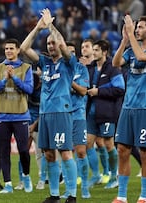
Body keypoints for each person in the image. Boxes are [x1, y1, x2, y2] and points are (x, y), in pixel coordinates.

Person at [20, 8, 77, 203]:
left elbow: (61, 42)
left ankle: (71, 194)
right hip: (45, 114)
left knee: (65, 153)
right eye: (48, 44)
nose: (51, 46)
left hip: (61, 112)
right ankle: (54, 194)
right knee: (49, 154)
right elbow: (24, 49)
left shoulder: (70, 63)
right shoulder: (45, 63)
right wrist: (38, 28)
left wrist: (51, 25)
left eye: (53, 43)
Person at [112, 15, 146, 203]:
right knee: (122, 151)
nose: (136, 30)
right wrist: (124, 40)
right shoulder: (131, 49)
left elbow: (143, 56)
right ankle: (122, 197)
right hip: (128, 107)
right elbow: (116, 63)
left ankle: (143, 197)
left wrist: (131, 38)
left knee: (144, 152)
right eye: (136, 27)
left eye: (140, 27)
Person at [0, 38, 34, 194]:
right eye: (6, 48)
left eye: (11, 48)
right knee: (3, 151)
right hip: (2, 116)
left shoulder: (26, 68)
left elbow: (29, 89)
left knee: (23, 150)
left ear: (18, 50)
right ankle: (8, 183)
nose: (8, 51)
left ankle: (26, 176)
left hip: (21, 116)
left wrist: (14, 77)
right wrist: (4, 80)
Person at [86, 39, 125, 189]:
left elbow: (120, 88)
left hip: (107, 112)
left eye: (96, 50)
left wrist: (99, 91)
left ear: (104, 52)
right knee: (88, 143)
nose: (93, 52)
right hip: (91, 112)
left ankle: (114, 175)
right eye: (93, 50)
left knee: (109, 144)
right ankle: (96, 175)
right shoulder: (90, 68)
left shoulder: (113, 68)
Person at [80, 39, 110, 184]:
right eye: (82, 47)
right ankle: (97, 174)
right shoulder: (83, 67)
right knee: (90, 143)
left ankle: (108, 171)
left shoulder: (102, 66)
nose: (84, 49)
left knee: (103, 142)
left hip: (102, 110)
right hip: (87, 110)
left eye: (87, 46)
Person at [63, 41, 91, 199]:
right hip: (63, 113)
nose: (71, 54)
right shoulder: (60, 67)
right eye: (68, 51)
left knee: (81, 151)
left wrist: (69, 82)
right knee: (65, 153)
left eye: (73, 52)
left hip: (78, 113)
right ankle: (69, 188)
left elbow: (83, 91)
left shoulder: (81, 68)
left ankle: (85, 186)